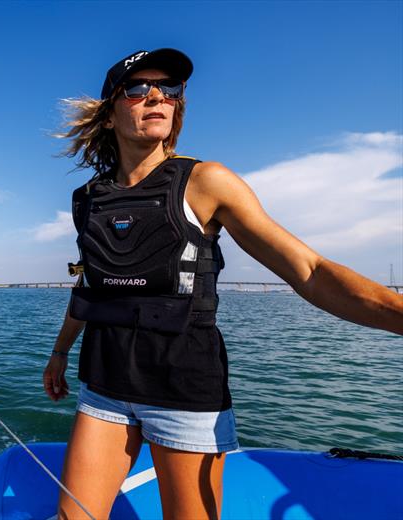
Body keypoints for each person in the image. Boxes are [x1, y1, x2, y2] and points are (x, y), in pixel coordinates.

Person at [42, 48, 403, 520]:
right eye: (137, 88)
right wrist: (60, 352)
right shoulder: (88, 198)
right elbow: (91, 284)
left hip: (183, 388)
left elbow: (309, 271)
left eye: (169, 89)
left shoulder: (206, 181)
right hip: (104, 383)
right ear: (110, 114)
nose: (157, 97)